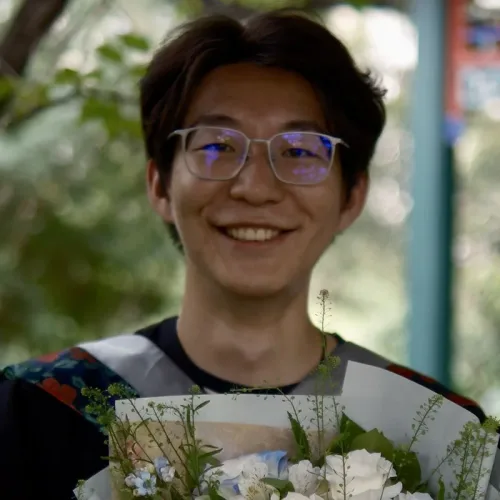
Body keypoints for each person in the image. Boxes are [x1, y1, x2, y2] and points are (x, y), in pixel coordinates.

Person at [0, 9, 488, 500]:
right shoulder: (41, 412)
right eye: (217, 147)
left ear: (352, 197)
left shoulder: (434, 434)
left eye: (299, 151)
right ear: (160, 185)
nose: (255, 187)